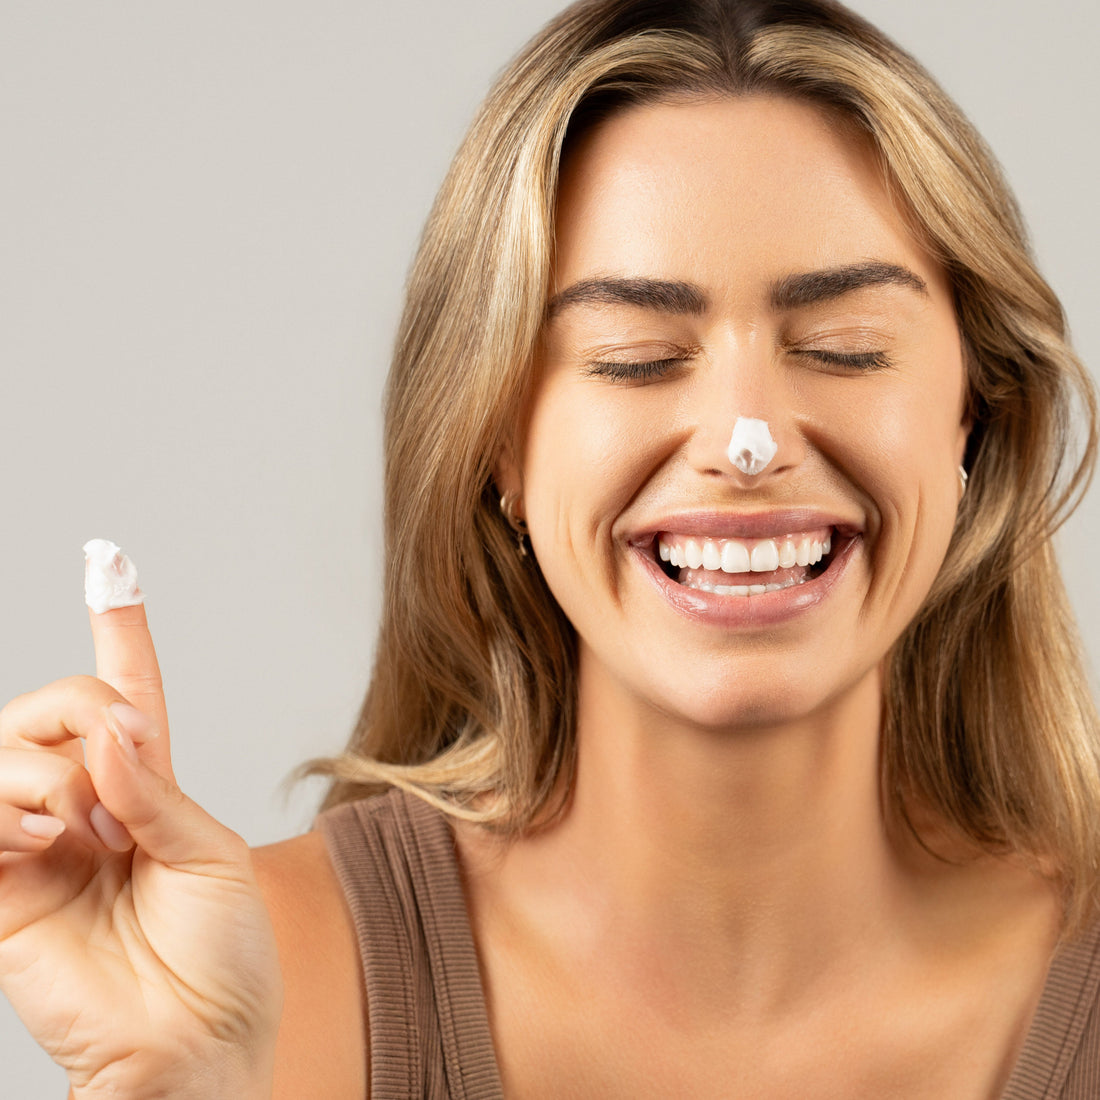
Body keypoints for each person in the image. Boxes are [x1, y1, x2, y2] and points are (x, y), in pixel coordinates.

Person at [2, 0, 1098, 1095]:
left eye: (843, 348)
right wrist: (178, 1081)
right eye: (633, 356)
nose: (744, 440)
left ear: (975, 415)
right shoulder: (259, 977)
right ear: (496, 442)